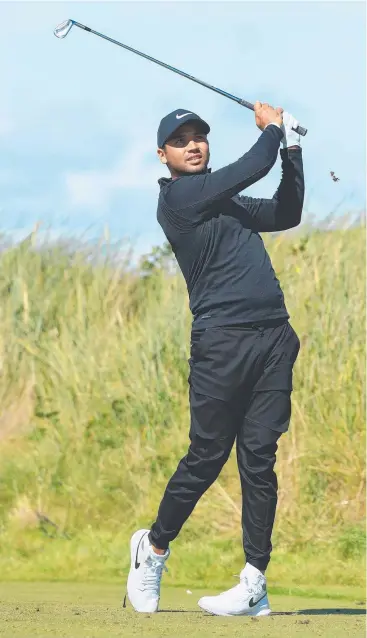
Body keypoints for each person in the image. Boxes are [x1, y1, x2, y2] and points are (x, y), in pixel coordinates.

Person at [126, 102, 304, 616]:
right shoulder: (181, 199)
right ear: (163, 155)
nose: (195, 144)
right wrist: (273, 131)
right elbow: (252, 166)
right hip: (220, 343)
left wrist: (292, 150)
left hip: (273, 337)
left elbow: (286, 212)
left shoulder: (225, 204)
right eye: (182, 140)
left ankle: (254, 581)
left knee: (259, 458)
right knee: (206, 455)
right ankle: (153, 549)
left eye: (200, 136)